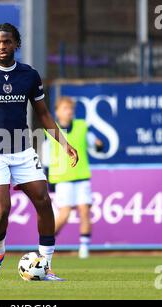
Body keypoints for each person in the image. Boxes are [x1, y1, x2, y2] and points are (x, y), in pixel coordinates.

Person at [0, 23, 78, 281]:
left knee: (44, 202)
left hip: (23, 150)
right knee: (2, 209)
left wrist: (64, 143)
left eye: (7, 42)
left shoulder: (29, 75)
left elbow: (43, 114)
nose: (2, 46)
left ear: (16, 44)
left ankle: (44, 265)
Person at [42, 96, 103, 259]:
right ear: (57, 112)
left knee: (84, 211)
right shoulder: (51, 131)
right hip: (62, 179)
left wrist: (99, 145)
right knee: (64, 214)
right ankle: (46, 243)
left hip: (81, 176)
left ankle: (84, 249)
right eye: (65, 109)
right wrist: (48, 179)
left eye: (71, 109)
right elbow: (46, 158)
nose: (69, 112)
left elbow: (94, 145)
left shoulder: (82, 126)